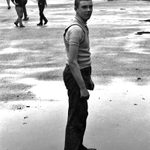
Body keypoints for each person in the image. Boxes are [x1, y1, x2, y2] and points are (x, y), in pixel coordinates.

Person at [63, 0, 96, 150]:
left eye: (90, 7)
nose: (88, 10)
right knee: (76, 116)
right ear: (76, 8)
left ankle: (77, 146)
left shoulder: (82, 25)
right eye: (84, 7)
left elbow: (83, 57)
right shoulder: (76, 30)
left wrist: (88, 80)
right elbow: (73, 62)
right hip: (76, 75)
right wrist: (82, 88)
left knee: (81, 114)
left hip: (81, 74)